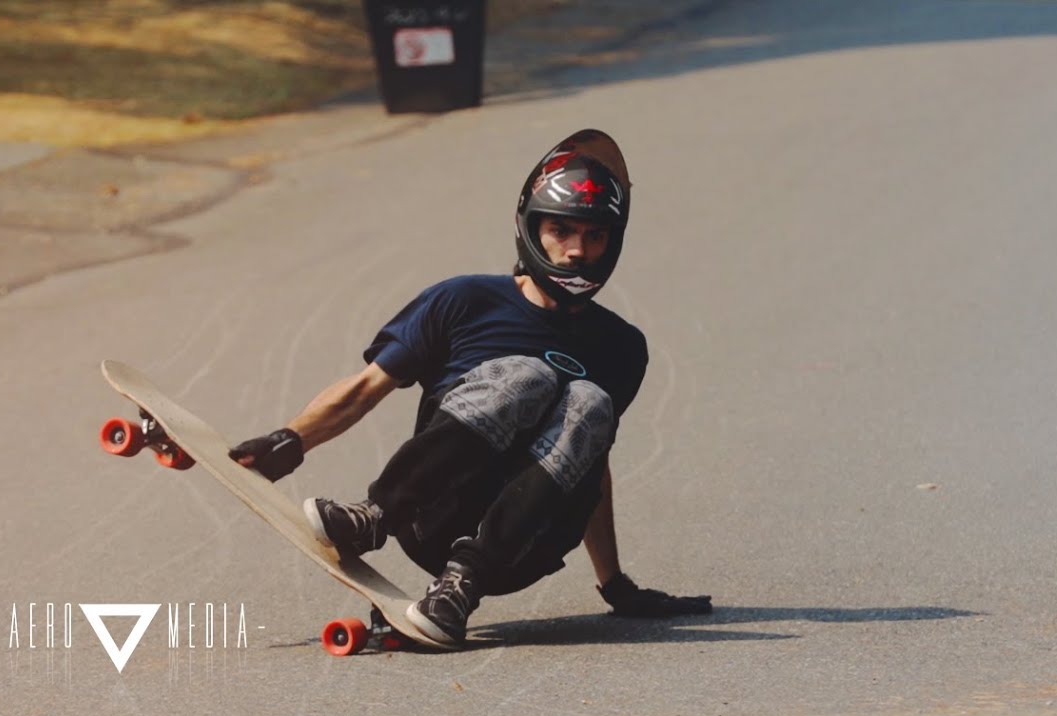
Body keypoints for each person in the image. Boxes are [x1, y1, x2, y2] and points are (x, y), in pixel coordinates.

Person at [227, 129, 712, 649]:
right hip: (428, 516)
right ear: (530, 227)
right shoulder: (464, 302)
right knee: (528, 376)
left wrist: (615, 584)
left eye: (594, 236)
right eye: (561, 230)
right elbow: (366, 388)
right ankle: (374, 517)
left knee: (590, 402)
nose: (576, 251)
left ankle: (461, 588)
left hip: (525, 547)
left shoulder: (622, 347)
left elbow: (590, 464)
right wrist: (288, 442)